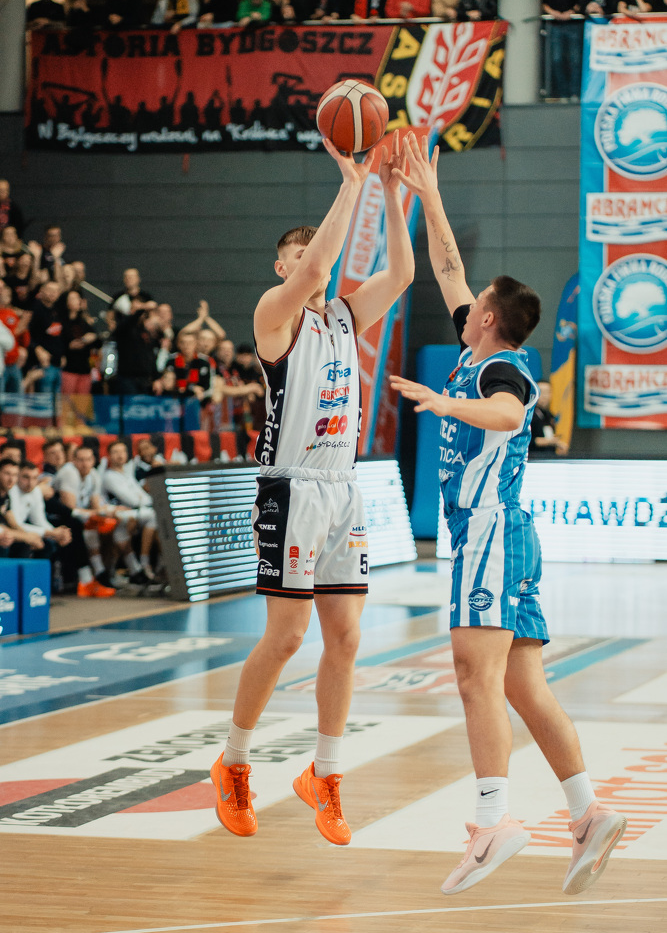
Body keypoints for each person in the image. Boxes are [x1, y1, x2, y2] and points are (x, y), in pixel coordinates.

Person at [389, 134, 626, 897]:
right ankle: (587, 811)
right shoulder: (478, 344)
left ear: (487, 317)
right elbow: (447, 266)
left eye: (473, 306)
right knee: (523, 686)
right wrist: (428, 194)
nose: (461, 306)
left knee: (471, 676)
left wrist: (441, 403)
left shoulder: (500, 366)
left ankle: (492, 821)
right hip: (503, 535)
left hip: (489, 531)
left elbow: (504, 414)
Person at [209, 130, 415, 844]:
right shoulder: (275, 314)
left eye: (313, 255)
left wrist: (388, 190)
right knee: (287, 636)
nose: (312, 263)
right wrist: (349, 184)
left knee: (347, 637)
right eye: (299, 257)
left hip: (342, 488)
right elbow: (320, 266)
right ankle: (233, 761)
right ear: (281, 267)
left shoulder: (343, 317)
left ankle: (323, 775)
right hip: (290, 490)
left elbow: (401, 273)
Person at [53, 445, 117, 596]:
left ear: (93, 460)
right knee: (76, 525)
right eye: (81, 460)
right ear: (74, 461)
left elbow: (95, 506)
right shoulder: (69, 473)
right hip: (55, 517)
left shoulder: (93, 475)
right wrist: (95, 514)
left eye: (88, 460)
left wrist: (105, 513)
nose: (85, 464)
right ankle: (87, 579)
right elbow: (69, 509)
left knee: (99, 522)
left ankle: (100, 573)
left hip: (77, 517)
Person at [102, 440, 158, 584]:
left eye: (122, 451)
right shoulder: (108, 476)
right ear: (109, 456)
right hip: (114, 514)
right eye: (115, 452)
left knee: (152, 517)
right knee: (151, 516)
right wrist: (142, 500)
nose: (120, 455)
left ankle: (137, 569)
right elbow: (132, 501)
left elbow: (143, 497)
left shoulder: (127, 473)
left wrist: (143, 500)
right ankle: (141, 566)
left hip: (131, 513)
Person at [542, 0, 582, 101]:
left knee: (575, 60)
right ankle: (563, 93)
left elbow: (580, 0)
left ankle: (574, 93)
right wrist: (552, 12)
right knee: (557, 60)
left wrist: (571, 12)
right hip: (554, 23)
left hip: (572, 23)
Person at [0, 459, 45, 558]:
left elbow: (14, 523)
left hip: (5, 534)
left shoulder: (6, 497)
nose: (11, 479)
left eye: (15, 475)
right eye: (7, 474)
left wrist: (30, 537)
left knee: (28, 544)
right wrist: (26, 537)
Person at [61, 290, 98, 395]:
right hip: (69, 369)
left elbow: (96, 340)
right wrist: (70, 345)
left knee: (82, 403)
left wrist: (85, 340)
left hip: (84, 369)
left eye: (78, 298)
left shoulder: (83, 322)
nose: (78, 301)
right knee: (67, 402)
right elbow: (62, 342)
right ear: (66, 302)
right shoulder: (62, 322)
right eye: (74, 298)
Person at [529, 381, 568, 455]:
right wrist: (548, 441)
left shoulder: (549, 415)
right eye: (541, 392)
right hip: (533, 457)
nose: (544, 396)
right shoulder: (529, 415)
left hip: (549, 457)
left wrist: (557, 444)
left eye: (547, 392)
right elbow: (525, 440)